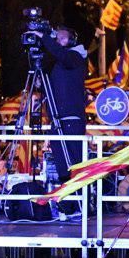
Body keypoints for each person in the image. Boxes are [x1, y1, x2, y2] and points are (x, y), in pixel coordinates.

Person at [39, 24, 89, 179]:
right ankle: (65, 191)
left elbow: (63, 55)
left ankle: (76, 193)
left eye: (63, 38)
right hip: (58, 121)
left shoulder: (75, 57)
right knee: (62, 166)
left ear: (72, 40)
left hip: (70, 121)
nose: (58, 41)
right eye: (57, 38)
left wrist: (44, 37)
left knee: (73, 166)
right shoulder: (59, 65)